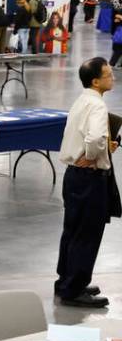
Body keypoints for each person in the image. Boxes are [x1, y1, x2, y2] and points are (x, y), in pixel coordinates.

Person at [54, 57, 115, 308]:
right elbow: (94, 139)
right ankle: (74, 289)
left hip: (73, 177)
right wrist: (93, 157)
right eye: (108, 74)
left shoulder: (81, 100)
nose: (113, 77)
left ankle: (66, 280)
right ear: (96, 80)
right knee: (87, 233)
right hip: (89, 179)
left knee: (72, 230)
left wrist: (99, 150)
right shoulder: (98, 106)